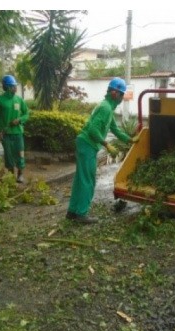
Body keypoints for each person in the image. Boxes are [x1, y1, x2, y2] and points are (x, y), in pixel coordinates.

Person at [66, 77, 137, 224]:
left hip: (84, 144)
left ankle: (72, 212)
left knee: (80, 179)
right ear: (114, 93)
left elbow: (115, 130)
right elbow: (93, 130)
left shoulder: (107, 108)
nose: (122, 97)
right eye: (121, 94)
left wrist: (130, 140)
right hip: (87, 145)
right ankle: (81, 214)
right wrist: (106, 144)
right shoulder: (105, 108)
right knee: (88, 181)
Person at [0, 75, 29, 183]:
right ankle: (11, 176)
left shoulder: (19, 100)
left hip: (18, 133)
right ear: (7, 87)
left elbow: (26, 113)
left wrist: (20, 120)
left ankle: (20, 175)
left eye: (15, 86)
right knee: (8, 156)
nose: (15, 88)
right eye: (13, 86)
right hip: (6, 134)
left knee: (20, 153)